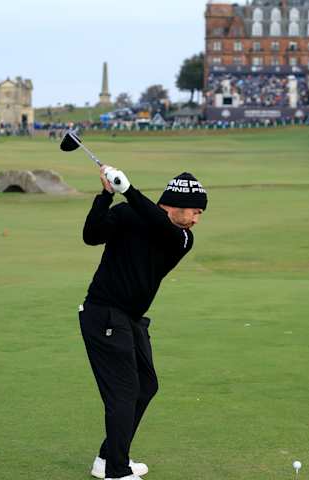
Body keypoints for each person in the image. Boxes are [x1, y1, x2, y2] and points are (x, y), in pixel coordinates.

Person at [79, 166, 208, 480]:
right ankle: (117, 472)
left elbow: (158, 225)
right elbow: (91, 235)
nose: (196, 220)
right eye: (193, 211)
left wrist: (130, 190)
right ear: (171, 206)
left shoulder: (181, 238)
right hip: (104, 313)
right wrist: (107, 195)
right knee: (124, 391)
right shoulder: (128, 214)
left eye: (200, 213)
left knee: (146, 385)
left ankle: (108, 457)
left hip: (131, 318)